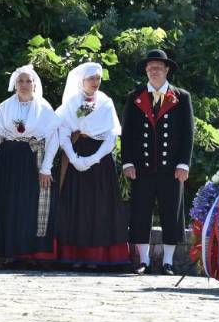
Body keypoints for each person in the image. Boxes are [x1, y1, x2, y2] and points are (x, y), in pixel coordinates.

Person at [121, 50, 194, 276]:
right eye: (150, 68)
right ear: (146, 70)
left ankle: (168, 262)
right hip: (141, 167)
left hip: (171, 168)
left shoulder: (181, 97)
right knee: (140, 213)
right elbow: (127, 132)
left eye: (158, 68)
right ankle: (143, 260)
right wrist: (127, 162)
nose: (154, 71)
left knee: (172, 213)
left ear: (167, 70)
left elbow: (188, 133)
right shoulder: (135, 96)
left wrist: (184, 163)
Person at [0, 65, 61, 264]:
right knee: (7, 205)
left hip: (32, 161)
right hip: (7, 161)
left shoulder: (44, 108)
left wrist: (46, 168)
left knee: (29, 205)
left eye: (28, 81)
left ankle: (30, 254)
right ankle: (8, 252)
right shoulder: (5, 107)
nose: (24, 85)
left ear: (34, 84)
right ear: (15, 84)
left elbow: (53, 140)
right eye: (20, 81)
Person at [55, 62, 129, 269]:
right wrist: (74, 159)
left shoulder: (105, 102)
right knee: (77, 206)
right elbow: (63, 132)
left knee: (99, 207)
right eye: (91, 78)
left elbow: (111, 135)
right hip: (76, 154)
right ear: (82, 80)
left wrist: (93, 158)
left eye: (98, 78)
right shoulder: (71, 103)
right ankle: (75, 255)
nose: (96, 82)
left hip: (100, 160)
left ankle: (97, 257)